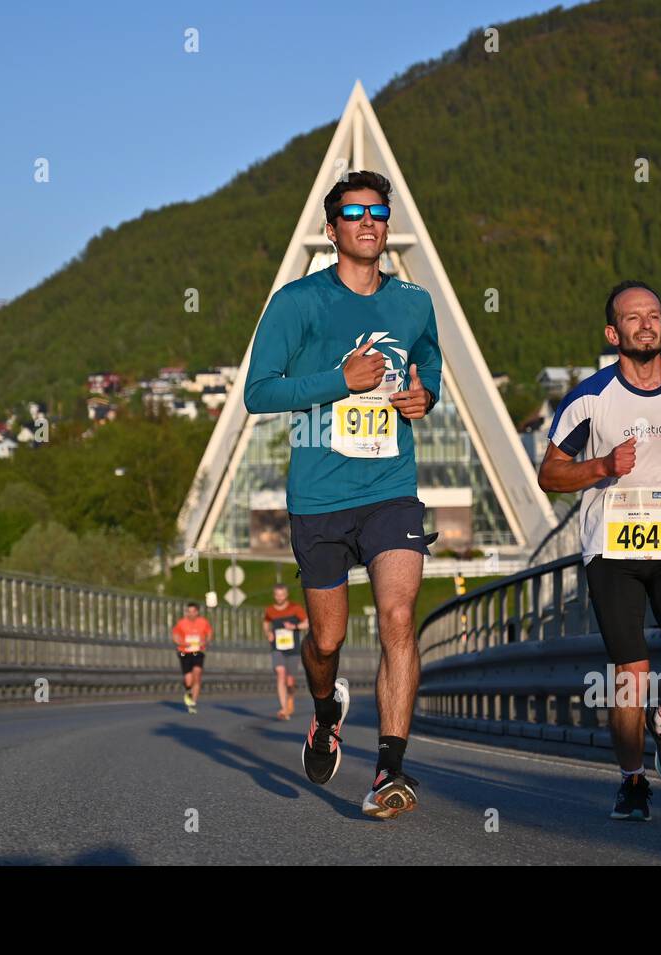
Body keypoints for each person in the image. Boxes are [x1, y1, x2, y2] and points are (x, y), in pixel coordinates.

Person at [244, 170, 442, 819]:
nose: (367, 221)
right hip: (319, 495)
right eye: (353, 212)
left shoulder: (413, 302)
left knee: (397, 619)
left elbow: (430, 364)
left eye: (378, 212)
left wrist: (425, 395)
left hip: (391, 487)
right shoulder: (296, 302)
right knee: (325, 642)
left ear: (387, 225)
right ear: (331, 230)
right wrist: (340, 379)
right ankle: (327, 710)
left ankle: (388, 770)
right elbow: (260, 392)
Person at [538, 280, 661, 822]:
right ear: (613, 332)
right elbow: (550, 474)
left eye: (653, 314)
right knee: (630, 673)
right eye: (633, 317)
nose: (646, 324)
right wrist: (602, 467)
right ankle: (632, 781)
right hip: (611, 548)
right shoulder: (590, 398)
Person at [263, 583, 308, 720]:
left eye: (282, 595)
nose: (280, 598)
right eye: (277, 595)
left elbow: (307, 623)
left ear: (286, 595)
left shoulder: (295, 608)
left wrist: (294, 626)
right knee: (280, 673)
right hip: (277, 647)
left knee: (290, 681)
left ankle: (290, 698)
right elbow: (265, 622)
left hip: (293, 648)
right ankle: (283, 708)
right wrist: (268, 633)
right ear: (274, 595)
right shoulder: (270, 610)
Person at [171, 601, 213, 714]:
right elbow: (175, 635)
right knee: (188, 679)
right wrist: (181, 643)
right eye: (188, 611)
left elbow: (209, 634)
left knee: (197, 673)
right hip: (185, 652)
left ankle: (193, 703)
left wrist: (206, 641)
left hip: (198, 652)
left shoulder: (203, 622)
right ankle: (188, 690)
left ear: (197, 612)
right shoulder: (181, 623)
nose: (191, 614)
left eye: (193, 611)